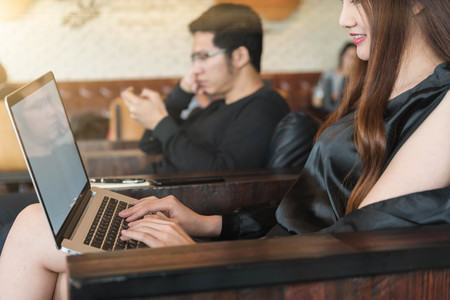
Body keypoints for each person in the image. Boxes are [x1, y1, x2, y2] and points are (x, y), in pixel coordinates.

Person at [1, 0, 449, 298]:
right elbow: (309, 213)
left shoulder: (437, 110)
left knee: (38, 233)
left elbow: (358, 251)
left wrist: (200, 255)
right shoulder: (377, 93)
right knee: (44, 230)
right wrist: (211, 225)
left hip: (266, 280)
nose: (343, 17)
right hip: (259, 258)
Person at [121, 4, 290, 174]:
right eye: (194, 58)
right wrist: (182, 93)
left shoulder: (263, 107)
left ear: (239, 57)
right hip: (152, 189)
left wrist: (158, 120)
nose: (195, 69)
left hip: (175, 197)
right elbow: (151, 144)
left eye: (203, 57)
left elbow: (223, 174)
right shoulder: (218, 106)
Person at [312, 42, 356, 113]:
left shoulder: (358, 77)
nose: (352, 60)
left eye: (355, 57)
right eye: (349, 56)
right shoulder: (329, 73)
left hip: (348, 110)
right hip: (329, 107)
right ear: (342, 56)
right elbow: (318, 96)